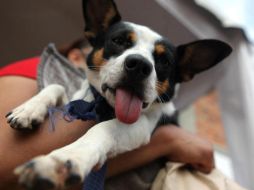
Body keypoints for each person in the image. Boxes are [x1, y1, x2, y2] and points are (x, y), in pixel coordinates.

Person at [0, 38, 214, 190]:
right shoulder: (44, 69)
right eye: (117, 49)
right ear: (75, 56)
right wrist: (166, 141)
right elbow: (6, 170)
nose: (131, 62)